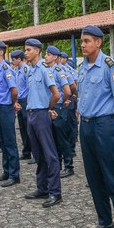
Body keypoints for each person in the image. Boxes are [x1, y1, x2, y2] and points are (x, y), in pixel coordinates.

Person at [77, 25, 114, 228]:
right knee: (94, 177)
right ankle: (105, 222)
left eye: (87, 41)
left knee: (112, 177)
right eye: (82, 41)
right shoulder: (83, 68)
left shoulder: (110, 66)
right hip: (86, 126)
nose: (83, 44)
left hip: (105, 125)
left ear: (98, 42)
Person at [23, 38, 62, 208]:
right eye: (25, 50)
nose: (26, 53)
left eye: (29, 50)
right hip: (31, 114)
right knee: (38, 154)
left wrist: (48, 108)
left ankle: (55, 192)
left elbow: (56, 94)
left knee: (50, 154)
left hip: (41, 114)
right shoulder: (30, 71)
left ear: (37, 51)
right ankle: (42, 187)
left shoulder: (44, 70)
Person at [0, 41, 20, 187]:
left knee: (10, 142)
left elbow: (14, 90)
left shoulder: (6, 69)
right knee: (2, 142)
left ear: (1, 52)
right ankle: (6, 170)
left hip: (6, 108)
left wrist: (12, 104)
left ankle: (14, 174)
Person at [44, 46, 75, 178]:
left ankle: (69, 166)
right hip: (51, 106)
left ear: (55, 57)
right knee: (54, 138)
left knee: (62, 138)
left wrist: (65, 100)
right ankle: (58, 165)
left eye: (49, 54)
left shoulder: (59, 70)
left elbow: (70, 88)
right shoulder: (46, 70)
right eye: (46, 54)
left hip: (58, 107)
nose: (46, 56)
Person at [10, 50, 32, 161]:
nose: (12, 62)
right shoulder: (17, 70)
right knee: (23, 128)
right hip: (19, 101)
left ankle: (33, 151)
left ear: (19, 59)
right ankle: (26, 151)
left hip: (26, 101)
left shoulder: (26, 70)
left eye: (14, 59)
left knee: (29, 128)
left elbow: (30, 87)